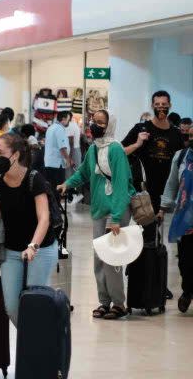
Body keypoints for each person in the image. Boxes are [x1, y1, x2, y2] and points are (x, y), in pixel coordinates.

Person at [59, 111, 135, 320]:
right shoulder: (93, 149)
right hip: (99, 210)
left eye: (101, 122)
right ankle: (104, 301)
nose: (95, 125)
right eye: (94, 121)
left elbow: (121, 185)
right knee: (99, 258)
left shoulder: (116, 150)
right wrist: (67, 184)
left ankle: (119, 303)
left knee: (113, 258)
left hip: (116, 211)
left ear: (109, 126)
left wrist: (117, 218)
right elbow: (83, 172)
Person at [0, 133, 58, 325]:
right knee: (12, 307)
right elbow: (0, 216)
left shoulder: (34, 179)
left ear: (14, 155)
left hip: (41, 249)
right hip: (11, 250)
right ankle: (31, 346)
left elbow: (44, 218)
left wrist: (33, 246)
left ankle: (38, 349)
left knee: (33, 304)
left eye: (1, 152)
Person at [122, 90, 184, 251]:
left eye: (164, 105)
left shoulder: (176, 134)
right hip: (144, 193)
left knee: (155, 236)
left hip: (166, 192)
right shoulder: (141, 128)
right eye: (157, 105)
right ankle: (141, 270)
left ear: (170, 105)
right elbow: (120, 151)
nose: (161, 108)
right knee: (147, 235)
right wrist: (137, 144)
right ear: (152, 106)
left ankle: (149, 270)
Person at [159, 126, 193, 313]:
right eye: (190, 136)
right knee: (185, 261)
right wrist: (163, 208)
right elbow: (172, 184)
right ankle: (188, 290)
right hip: (185, 220)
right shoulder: (181, 156)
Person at [43, 110, 73, 200]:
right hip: (57, 164)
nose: (69, 122)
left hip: (49, 163)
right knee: (57, 189)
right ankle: (56, 210)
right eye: (68, 119)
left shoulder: (51, 127)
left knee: (51, 188)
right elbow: (62, 148)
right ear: (63, 119)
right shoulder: (60, 129)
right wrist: (68, 159)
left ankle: (53, 209)